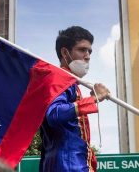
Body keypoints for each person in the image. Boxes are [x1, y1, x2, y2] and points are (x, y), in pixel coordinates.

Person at [40, 26, 110, 172]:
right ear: (65, 52)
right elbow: (54, 114)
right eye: (82, 49)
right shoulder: (58, 78)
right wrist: (93, 99)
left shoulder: (70, 82)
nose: (88, 55)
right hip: (66, 166)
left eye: (90, 51)